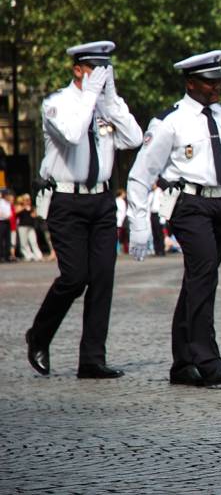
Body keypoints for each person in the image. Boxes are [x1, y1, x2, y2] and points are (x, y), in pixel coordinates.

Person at [126, 49, 221, 387]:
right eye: (209, 82)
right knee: (204, 274)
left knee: (198, 278)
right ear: (191, 83)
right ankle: (208, 360)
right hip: (188, 203)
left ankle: (182, 363)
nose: (216, 87)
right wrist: (137, 222)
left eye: (219, 81)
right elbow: (140, 173)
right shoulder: (170, 122)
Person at [26, 40, 142, 379]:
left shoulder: (105, 106)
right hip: (67, 201)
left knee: (103, 278)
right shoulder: (57, 104)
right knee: (75, 278)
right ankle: (39, 335)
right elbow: (74, 134)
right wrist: (92, 97)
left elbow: (133, 138)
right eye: (96, 70)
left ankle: (92, 359)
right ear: (78, 70)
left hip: (102, 199)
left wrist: (111, 101)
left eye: (107, 71)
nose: (102, 77)